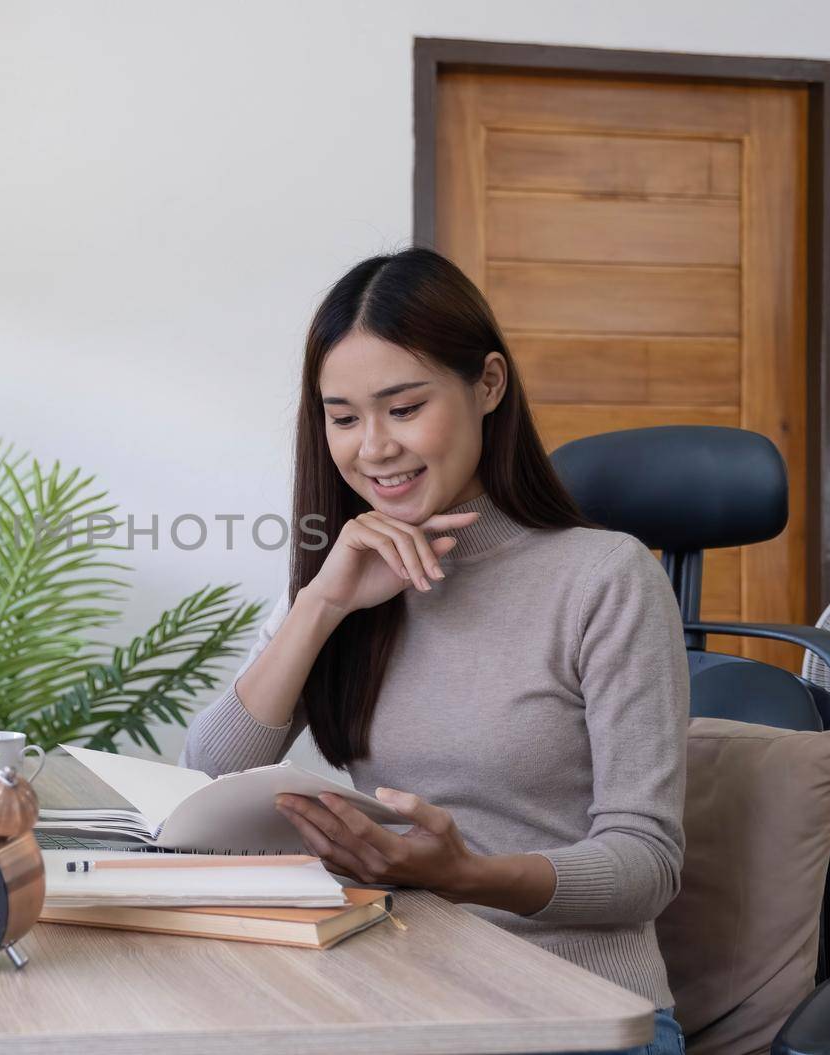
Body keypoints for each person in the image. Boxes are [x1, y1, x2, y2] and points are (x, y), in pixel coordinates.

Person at [179, 248, 688, 1055]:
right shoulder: (350, 574)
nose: (373, 448)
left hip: (581, 1010)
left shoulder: (604, 577)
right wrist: (323, 603)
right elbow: (207, 775)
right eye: (343, 418)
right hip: (404, 998)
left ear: (487, 384)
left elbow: (645, 862)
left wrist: (466, 874)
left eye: (403, 408)